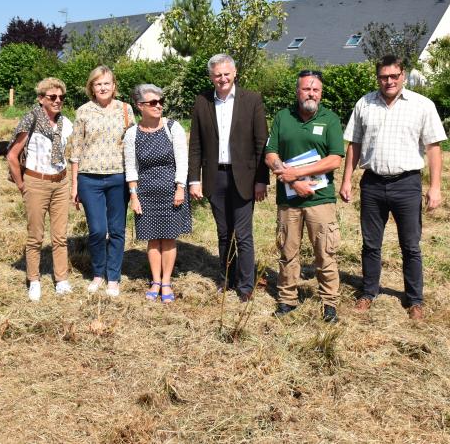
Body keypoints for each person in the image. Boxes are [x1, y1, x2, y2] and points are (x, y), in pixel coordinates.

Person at [339, 55, 446, 321]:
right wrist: (346, 180)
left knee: (410, 245)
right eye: (383, 77)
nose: (388, 81)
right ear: (378, 78)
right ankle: (369, 292)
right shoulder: (364, 103)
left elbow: (433, 147)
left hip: (407, 184)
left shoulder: (422, 105)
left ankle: (414, 299)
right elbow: (354, 144)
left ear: (403, 76)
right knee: (370, 244)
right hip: (373, 183)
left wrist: (435, 187)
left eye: (393, 76)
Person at [188, 53, 269, 301]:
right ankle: (228, 278)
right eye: (217, 75)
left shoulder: (252, 100)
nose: (222, 78)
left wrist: (261, 179)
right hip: (216, 177)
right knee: (224, 233)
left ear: (234, 74)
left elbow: (261, 143)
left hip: (244, 177)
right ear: (211, 77)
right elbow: (196, 145)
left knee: (243, 234)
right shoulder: (202, 102)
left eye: (226, 73)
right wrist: (194, 179)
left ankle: (245, 287)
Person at [265, 69, 344, 323]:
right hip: (289, 201)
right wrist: (288, 176)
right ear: (297, 91)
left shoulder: (330, 119)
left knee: (325, 252)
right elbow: (270, 154)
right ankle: (287, 299)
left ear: (321, 93)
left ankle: (329, 302)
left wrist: (297, 173)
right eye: (306, 89)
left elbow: (334, 160)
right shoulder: (282, 117)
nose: (311, 93)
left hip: (320, 200)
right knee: (288, 251)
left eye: (316, 90)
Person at [70, 65, 135, 297]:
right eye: (98, 84)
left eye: (107, 83)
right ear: (92, 87)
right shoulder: (83, 112)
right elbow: (75, 149)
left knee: (117, 230)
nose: (103, 87)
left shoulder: (126, 110)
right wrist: (74, 184)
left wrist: (134, 183)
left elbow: (132, 146)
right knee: (97, 230)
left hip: (119, 177)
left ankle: (113, 277)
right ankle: (98, 273)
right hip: (90, 179)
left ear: (114, 86)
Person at [7, 78, 75, 302]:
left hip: (61, 182)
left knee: (60, 235)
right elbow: (12, 155)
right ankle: (34, 280)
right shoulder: (31, 118)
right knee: (35, 236)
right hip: (36, 182)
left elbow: (73, 154)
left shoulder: (66, 123)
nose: (57, 101)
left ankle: (61, 279)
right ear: (41, 98)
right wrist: (22, 185)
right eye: (52, 97)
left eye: (61, 98)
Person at [123, 84, 191, 303]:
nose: (158, 105)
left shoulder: (173, 128)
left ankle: (167, 282)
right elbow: (131, 168)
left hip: (172, 192)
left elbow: (183, 161)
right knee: (152, 240)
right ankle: (155, 281)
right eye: (153, 102)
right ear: (140, 106)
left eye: (160, 101)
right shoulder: (132, 134)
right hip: (145, 193)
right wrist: (134, 196)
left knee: (169, 239)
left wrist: (180, 188)